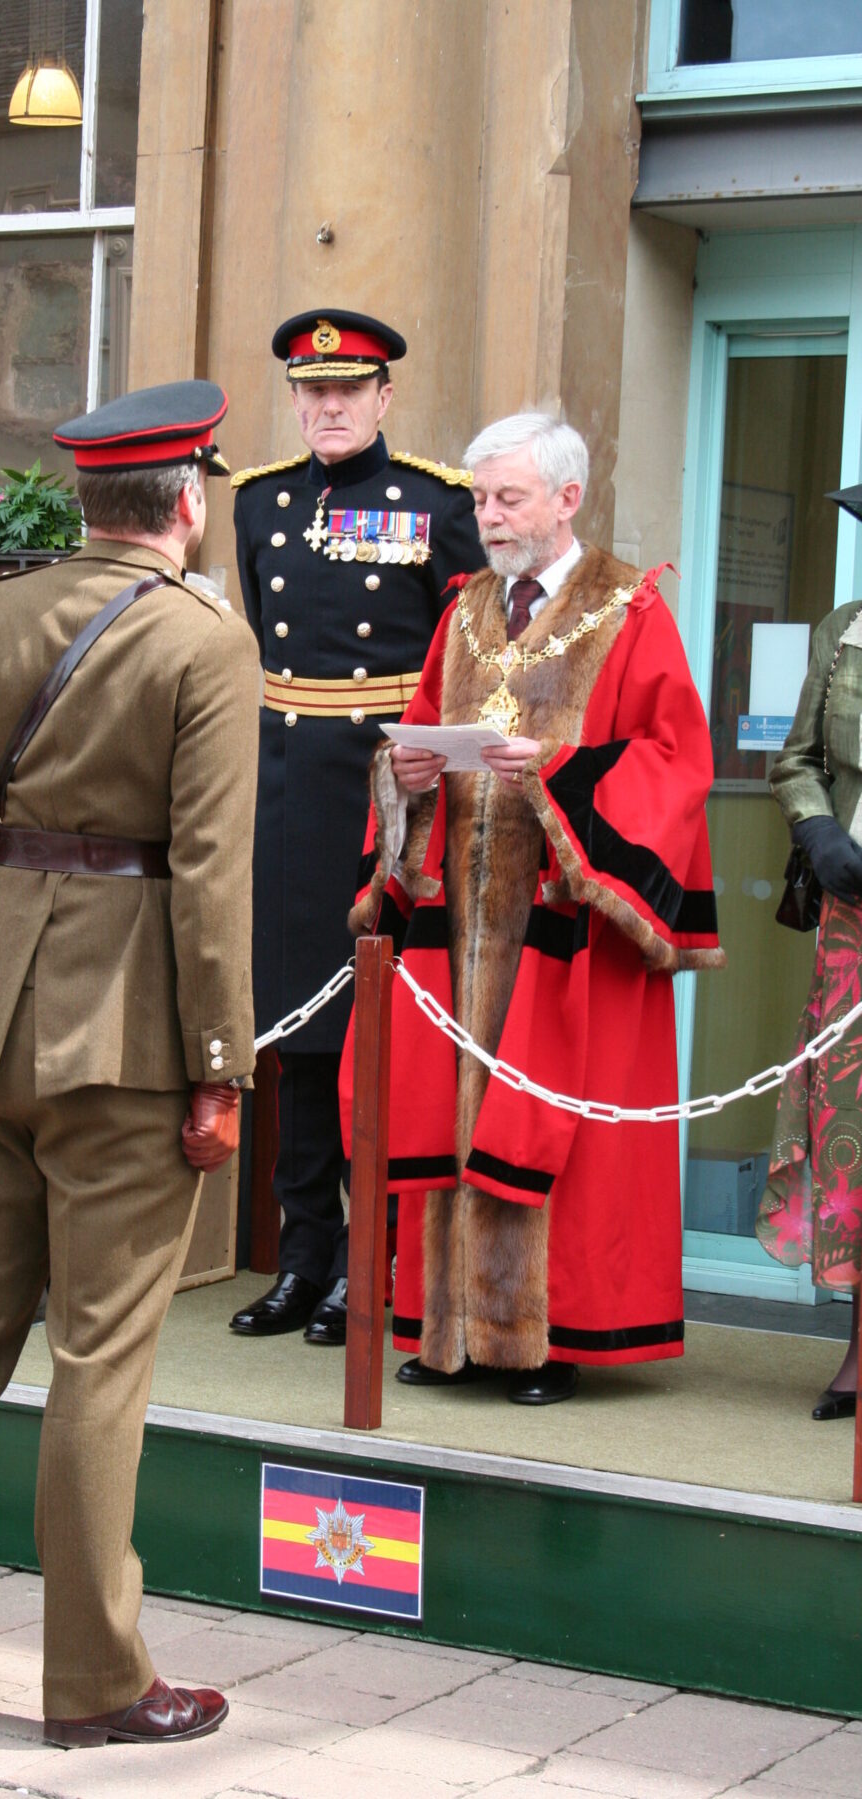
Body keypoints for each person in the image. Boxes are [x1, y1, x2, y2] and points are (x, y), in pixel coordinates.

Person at [0, 382, 259, 1747]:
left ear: (92, 500)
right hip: (127, 1031)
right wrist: (222, 1061)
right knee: (100, 1358)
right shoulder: (204, 639)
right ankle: (96, 1682)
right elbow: (212, 870)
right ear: (184, 500)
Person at [344, 411, 724, 1403]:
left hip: (565, 923)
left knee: (553, 1117)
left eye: (507, 496)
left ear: (567, 499)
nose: (487, 516)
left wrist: (559, 773)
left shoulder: (630, 609)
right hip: (460, 924)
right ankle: (451, 1331)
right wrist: (411, 768)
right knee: (452, 1107)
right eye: (479, 497)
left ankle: (553, 1338)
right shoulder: (465, 607)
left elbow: (678, 763)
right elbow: (416, 736)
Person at [229, 309, 484, 1347]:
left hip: (391, 794)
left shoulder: (435, 502)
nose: (328, 407)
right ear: (295, 398)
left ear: (385, 398)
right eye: (311, 390)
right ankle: (302, 1253)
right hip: (289, 786)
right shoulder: (257, 502)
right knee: (293, 1033)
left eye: (348, 390)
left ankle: (371, 1260)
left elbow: (470, 654)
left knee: (375, 1037)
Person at [757, 482, 862, 1420]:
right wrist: (818, 830)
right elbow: (795, 759)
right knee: (854, 1125)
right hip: (854, 914)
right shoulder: (843, 631)